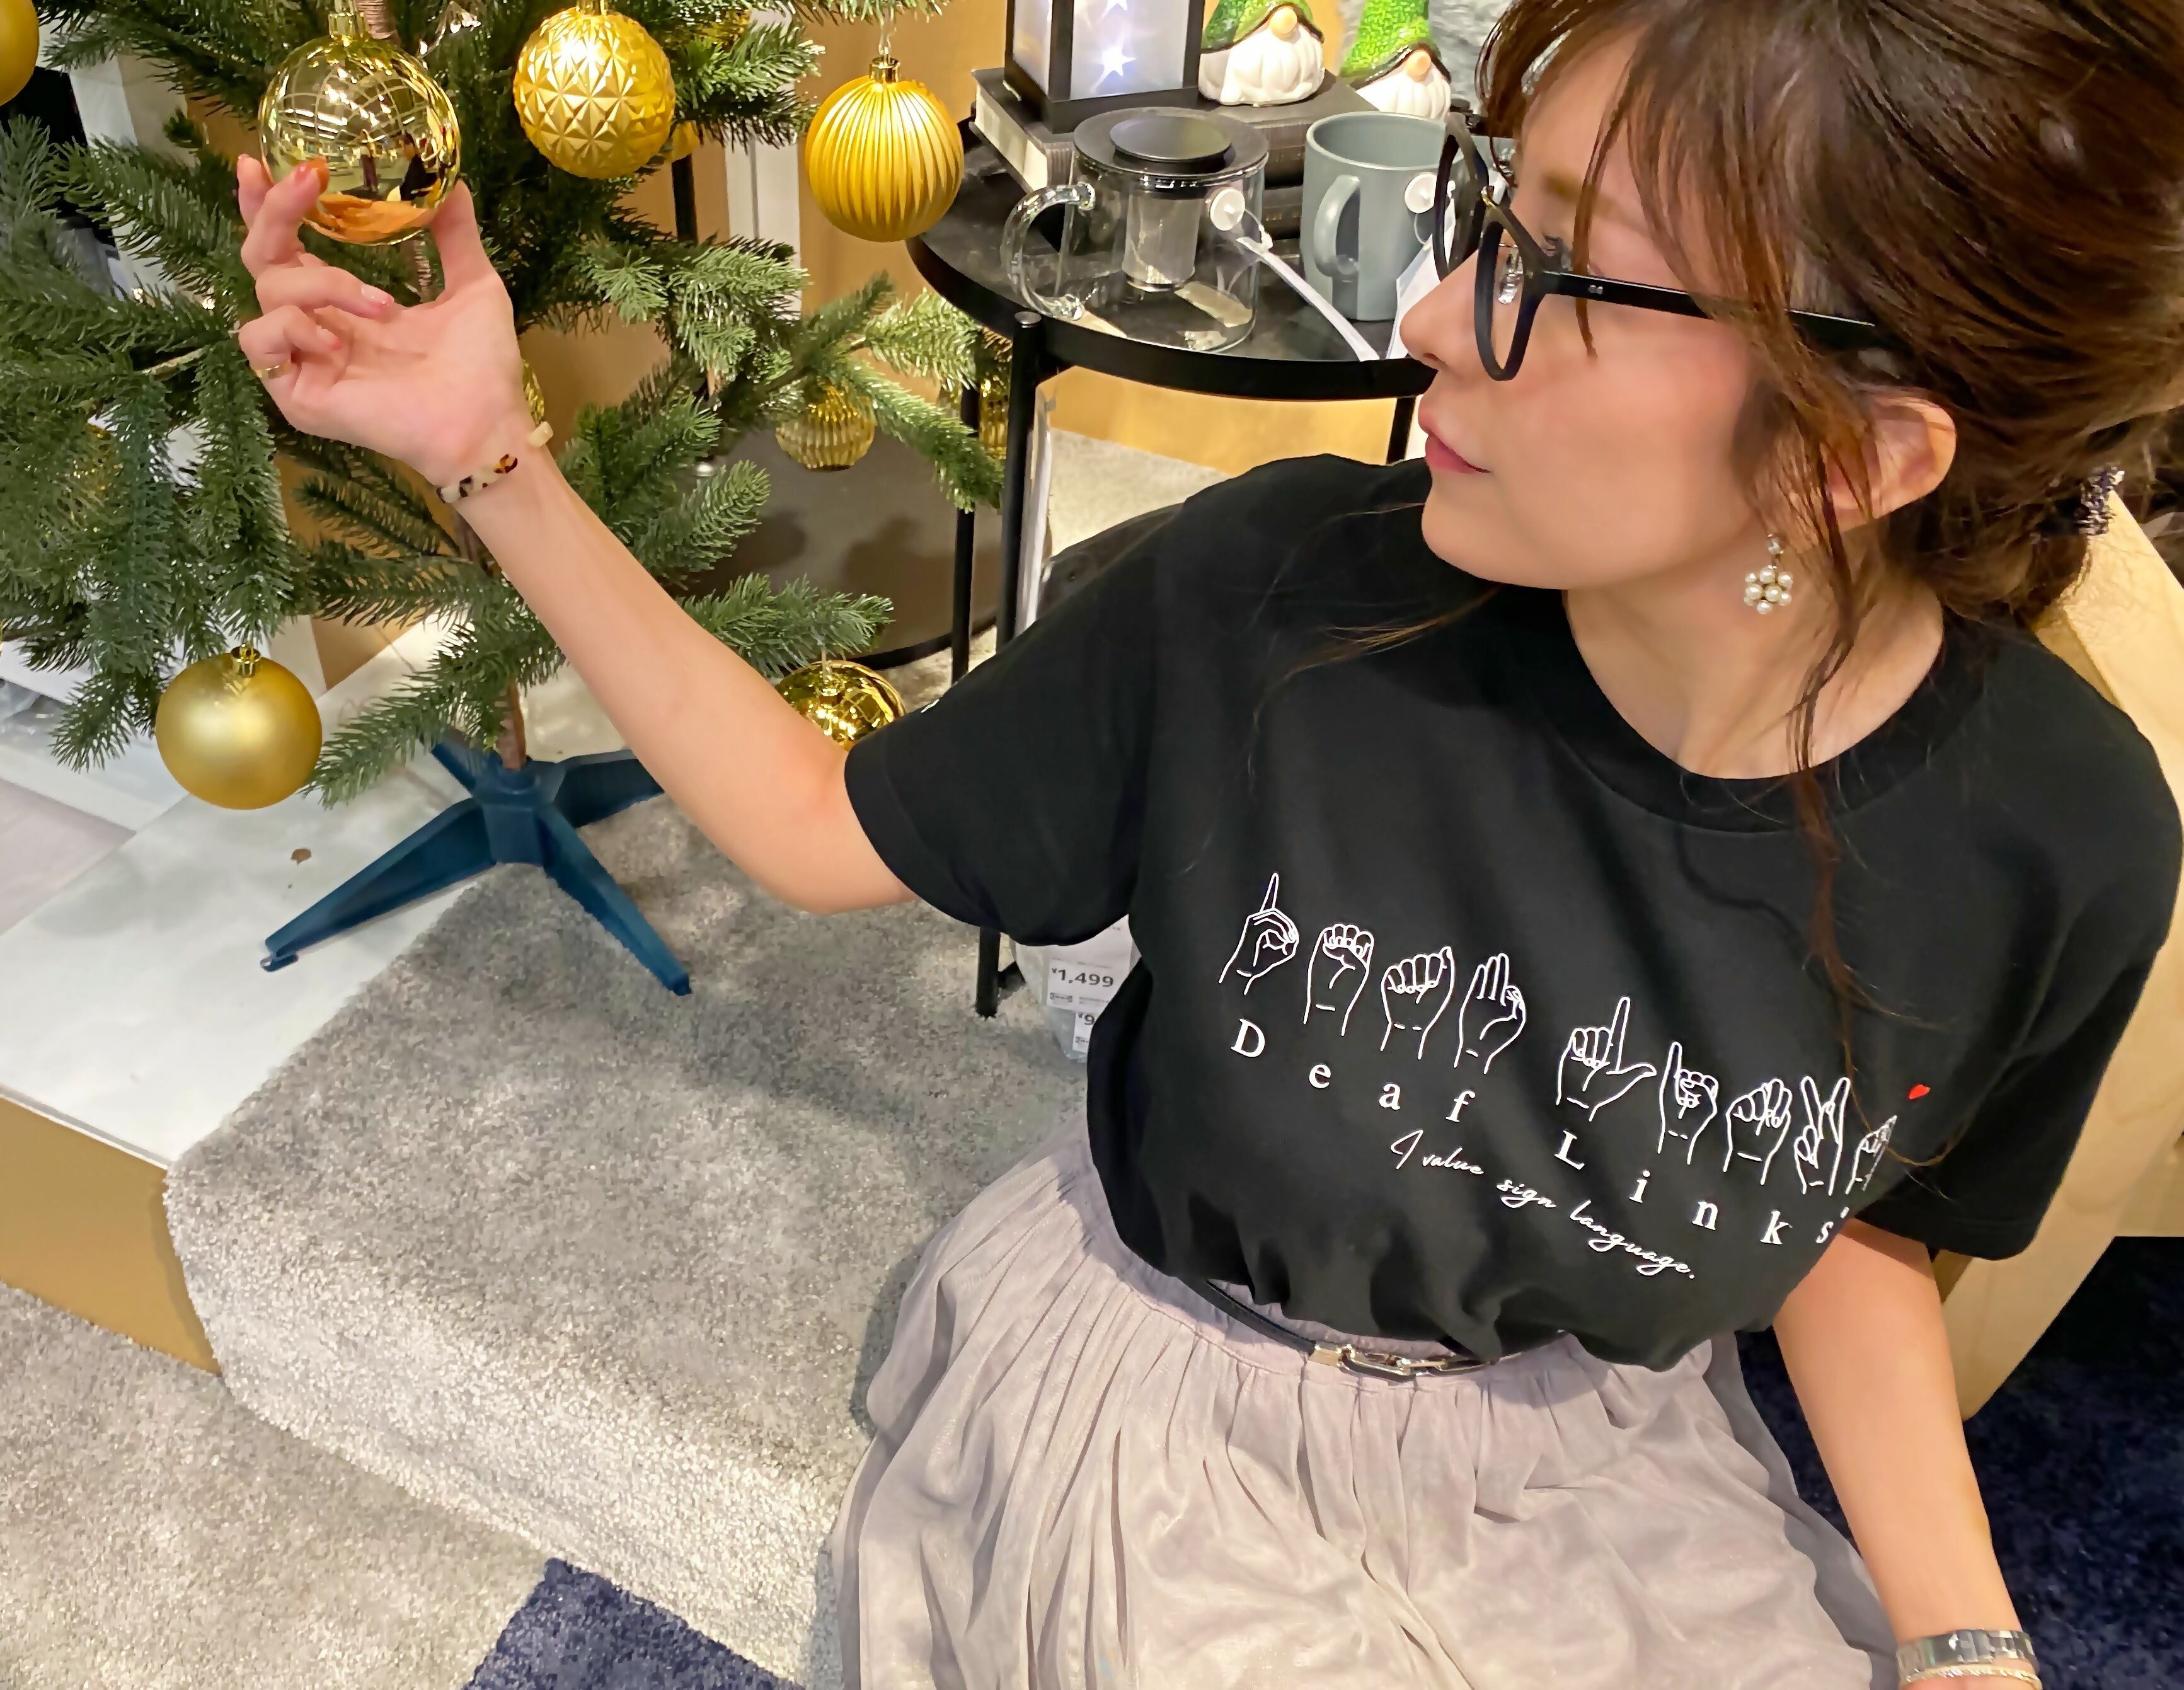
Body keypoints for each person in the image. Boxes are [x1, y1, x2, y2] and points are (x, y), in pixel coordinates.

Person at [232, 0, 2184, 1684]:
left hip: (1598, 1446)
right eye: (1490, 216)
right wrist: (486, 448)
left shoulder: (2060, 838)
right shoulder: (1274, 601)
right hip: (1185, 1401)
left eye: (1557, 272)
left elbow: (1859, 1223)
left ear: (1853, 455)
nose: (1431, 315)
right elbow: (825, 827)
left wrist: (1965, 1638)